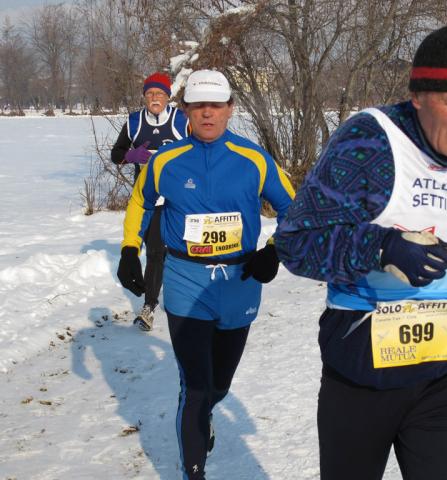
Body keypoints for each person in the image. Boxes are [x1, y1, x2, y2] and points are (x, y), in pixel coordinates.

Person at [274, 22, 447, 480]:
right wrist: (380, 246)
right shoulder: (370, 142)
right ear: (419, 95)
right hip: (361, 378)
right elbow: (294, 242)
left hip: (446, 374)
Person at [116, 69, 295, 479]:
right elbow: (140, 203)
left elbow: (294, 209)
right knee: (195, 387)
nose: (208, 114)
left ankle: (208, 413)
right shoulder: (166, 160)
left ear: (231, 109)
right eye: (199, 107)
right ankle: (192, 471)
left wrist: (275, 250)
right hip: (185, 280)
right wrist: (130, 248)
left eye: (216, 106)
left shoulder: (254, 159)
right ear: (186, 111)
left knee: (219, 387)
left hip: (239, 283)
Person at [111, 72, 189, 331]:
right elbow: (116, 154)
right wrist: (132, 155)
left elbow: (199, 146)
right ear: (144, 97)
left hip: (180, 198)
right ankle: (149, 307)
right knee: (155, 252)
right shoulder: (134, 122)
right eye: (150, 94)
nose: (155, 98)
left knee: (185, 249)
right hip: (148, 199)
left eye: (160, 94)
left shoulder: (181, 120)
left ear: (168, 97)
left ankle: (190, 295)